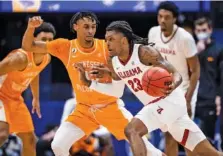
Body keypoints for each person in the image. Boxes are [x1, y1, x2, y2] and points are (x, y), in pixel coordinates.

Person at [22, 13, 164, 156]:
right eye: (86, 27)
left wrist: (110, 72)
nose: (90, 31)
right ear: (75, 27)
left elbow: (120, 73)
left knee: (149, 150)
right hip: (83, 110)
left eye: (93, 27)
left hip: (109, 108)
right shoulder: (65, 47)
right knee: (58, 145)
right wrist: (30, 28)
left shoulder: (106, 48)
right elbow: (29, 46)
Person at [84, 20, 222, 156]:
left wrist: (172, 84)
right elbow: (117, 84)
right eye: (106, 39)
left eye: (111, 39)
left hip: (169, 99)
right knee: (205, 152)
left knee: (132, 130)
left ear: (124, 41)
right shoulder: (113, 61)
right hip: (160, 107)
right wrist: (99, 78)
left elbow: (175, 74)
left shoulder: (144, 52)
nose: (107, 43)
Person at [148, 2, 200, 155]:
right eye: (160, 16)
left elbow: (196, 71)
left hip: (184, 88)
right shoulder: (153, 32)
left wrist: (188, 99)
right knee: (168, 134)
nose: (163, 20)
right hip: (165, 89)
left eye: (167, 17)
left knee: (185, 135)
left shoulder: (185, 38)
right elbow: (153, 62)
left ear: (175, 19)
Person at [0, 22, 56, 156]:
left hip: (14, 98)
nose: (46, 44)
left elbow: (34, 73)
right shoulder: (20, 58)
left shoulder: (46, 58)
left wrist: (35, 97)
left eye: (50, 40)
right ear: (34, 40)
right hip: (1, 95)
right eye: (43, 39)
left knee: (30, 140)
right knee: (2, 134)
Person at [194, 17, 223, 146]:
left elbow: (221, 77)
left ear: (210, 30)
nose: (201, 33)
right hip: (192, 99)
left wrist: (218, 97)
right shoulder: (191, 50)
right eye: (199, 30)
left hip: (209, 100)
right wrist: (196, 52)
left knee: (207, 140)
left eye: (204, 30)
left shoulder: (218, 50)